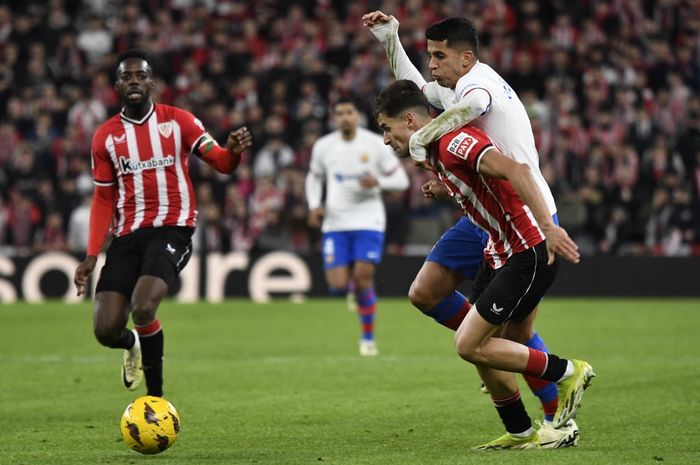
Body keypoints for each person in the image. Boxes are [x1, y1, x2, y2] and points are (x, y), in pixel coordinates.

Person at [363, 11, 569, 434]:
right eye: (430, 55)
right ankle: (489, 349)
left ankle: (549, 410)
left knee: (516, 334)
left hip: (524, 214)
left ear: (467, 57)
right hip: (485, 217)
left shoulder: (478, 85)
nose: (432, 64)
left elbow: (473, 109)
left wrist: (422, 138)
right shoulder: (456, 84)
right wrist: (391, 38)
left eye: (439, 56)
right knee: (426, 292)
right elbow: (415, 94)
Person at [374, 79, 595, 449]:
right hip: (497, 249)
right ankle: (522, 430)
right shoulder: (433, 151)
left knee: (476, 343)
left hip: (526, 248)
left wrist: (548, 228)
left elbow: (519, 171)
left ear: (410, 121)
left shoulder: (455, 140)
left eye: (385, 128)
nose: (383, 138)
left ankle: (567, 374)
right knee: (480, 342)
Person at [73, 49, 252, 397]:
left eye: (141, 75)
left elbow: (221, 163)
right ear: (116, 86)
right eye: (127, 77)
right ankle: (132, 346)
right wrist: (92, 254)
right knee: (105, 329)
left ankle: (154, 401)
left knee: (142, 306)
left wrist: (233, 152)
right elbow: (103, 198)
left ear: (152, 82)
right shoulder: (105, 137)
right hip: (127, 235)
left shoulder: (178, 121)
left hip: (173, 228)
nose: (134, 81)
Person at [305, 97, 410, 356]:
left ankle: (368, 338)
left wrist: (378, 183)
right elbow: (314, 177)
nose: (344, 117)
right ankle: (350, 288)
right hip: (335, 222)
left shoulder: (375, 145)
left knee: (364, 278)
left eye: (349, 112)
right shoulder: (324, 146)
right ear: (334, 118)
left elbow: (401, 181)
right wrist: (313, 205)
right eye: (339, 113)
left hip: (368, 220)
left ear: (358, 117)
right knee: (337, 286)